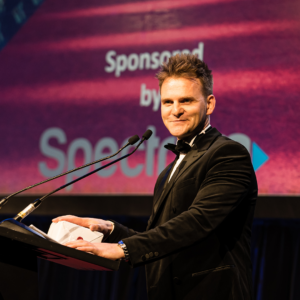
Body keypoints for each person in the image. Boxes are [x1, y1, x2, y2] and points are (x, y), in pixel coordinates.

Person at [53, 54, 257, 300]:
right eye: (167, 102)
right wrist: (109, 229)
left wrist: (122, 249)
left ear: (209, 104)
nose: (176, 111)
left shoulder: (228, 153)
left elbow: (197, 222)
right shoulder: (167, 174)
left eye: (186, 101)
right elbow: (163, 239)